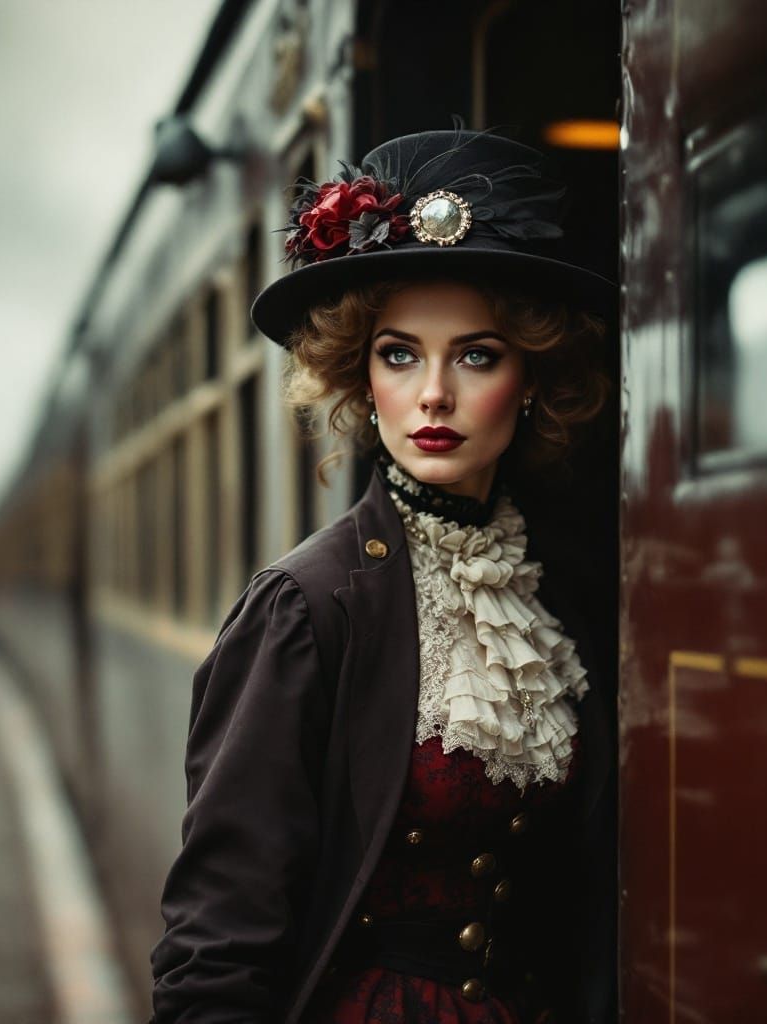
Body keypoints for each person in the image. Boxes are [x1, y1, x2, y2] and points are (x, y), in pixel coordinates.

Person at [149, 128, 617, 1024]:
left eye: (476, 355)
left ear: (529, 379)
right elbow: (216, 939)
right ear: (362, 379)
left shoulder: (560, 598)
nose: (433, 393)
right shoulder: (307, 606)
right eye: (399, 354)